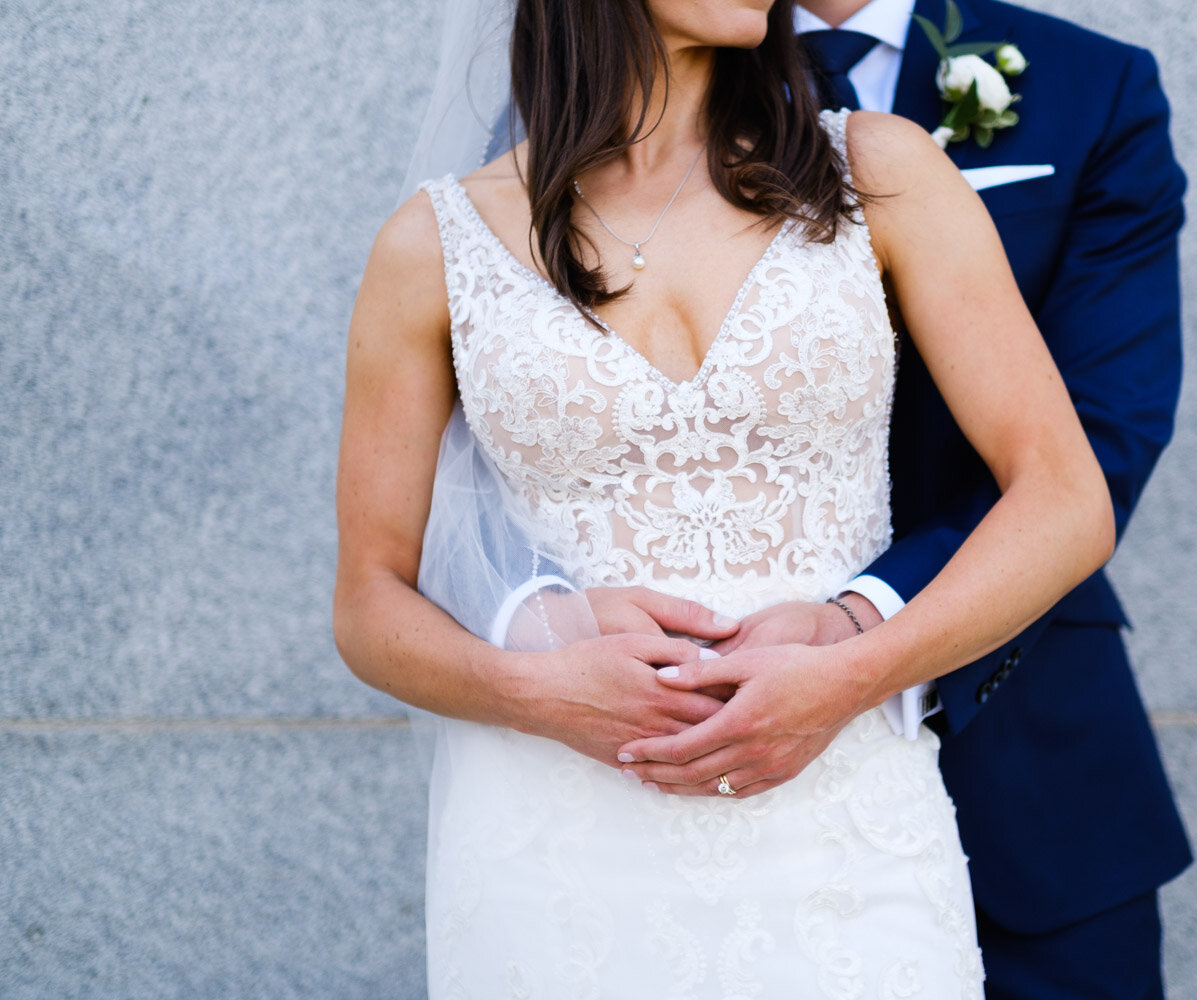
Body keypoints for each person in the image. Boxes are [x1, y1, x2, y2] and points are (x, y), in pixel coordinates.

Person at [334, 0, 1115, 994]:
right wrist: (536, 689)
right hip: (555, 853)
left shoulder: (880, 172)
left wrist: (855, 671)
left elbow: (1065, 499)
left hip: (843, 833)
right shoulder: (434, 243)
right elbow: (368, 599)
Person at [613, 1, 1196, 996]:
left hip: (1026, 744)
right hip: (718, 750)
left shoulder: (1093, 86)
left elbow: (1098, 445)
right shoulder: (638, 71)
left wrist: (860, 620)